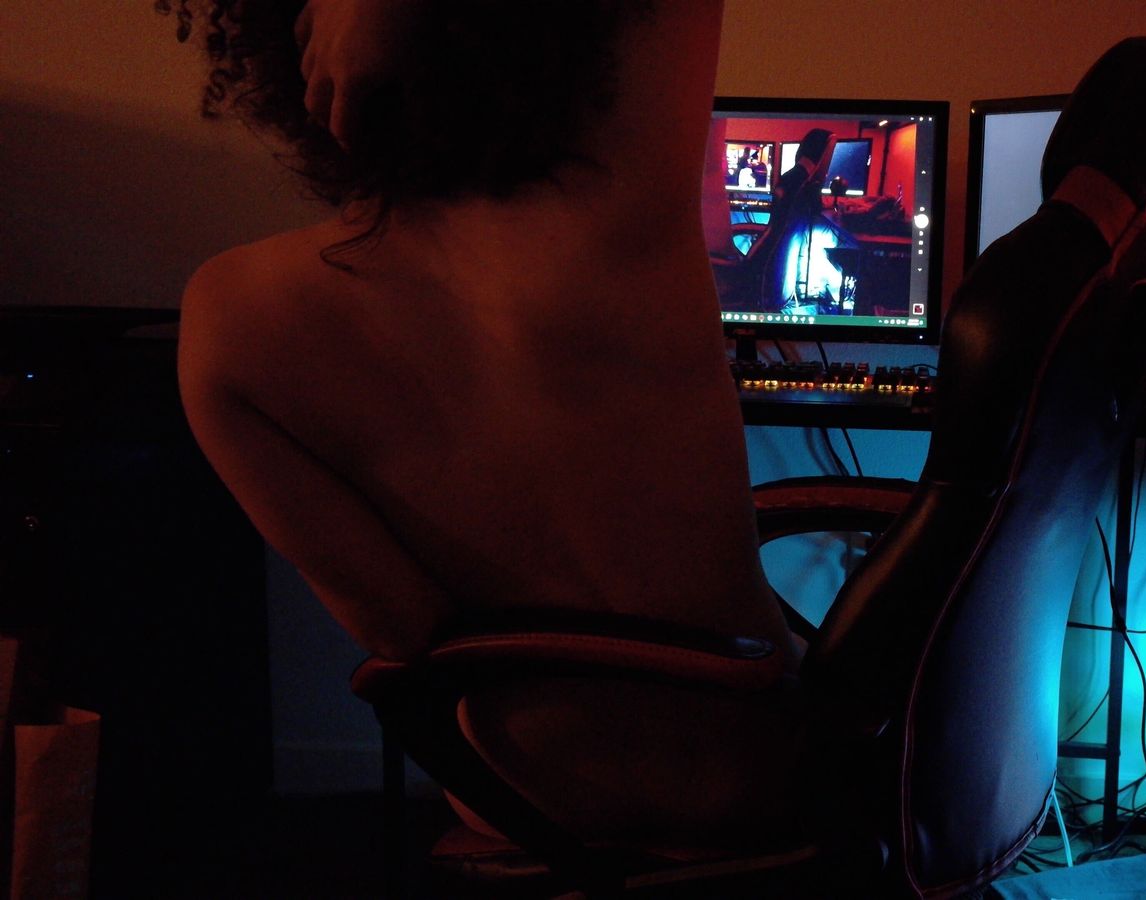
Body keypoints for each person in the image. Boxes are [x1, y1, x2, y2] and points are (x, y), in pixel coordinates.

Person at [166, 0, 802, 850]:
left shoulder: (229, 316)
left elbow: (404, 631)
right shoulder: (620, 203)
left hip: (529, 792)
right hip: (753, 760)